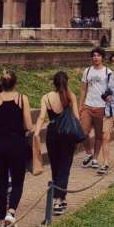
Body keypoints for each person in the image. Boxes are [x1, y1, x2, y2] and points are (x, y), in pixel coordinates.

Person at [0, 71, 34, 227]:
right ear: (15, 83)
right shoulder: (22, 98)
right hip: (17, 144)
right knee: (17, 181)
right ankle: (11, 213)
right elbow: (28, 125)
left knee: (2, 183)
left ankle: (3, 218)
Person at [36, 71, 79, 216]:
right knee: (65, 167)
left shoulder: (46, 97)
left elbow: (42, 117)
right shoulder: (70, 96)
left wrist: (36, 132)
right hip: (67, 134)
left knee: (55, 166)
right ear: (67, 82)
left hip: (52, 134)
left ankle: (60, 195)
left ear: (53, 83)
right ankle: (58, 200)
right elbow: (76, 117)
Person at [78, 47, 109, 169]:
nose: (96, 58)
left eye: (98, 55)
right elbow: (83, 89)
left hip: (101, 107)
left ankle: (95, 158)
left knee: (99, 135)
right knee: (83, 132)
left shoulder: (107, 72)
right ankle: (89, 153)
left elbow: (110, 91)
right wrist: (81, 105)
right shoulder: (88, 71)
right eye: (94, 55)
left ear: (102, 58)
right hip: (88, 106)